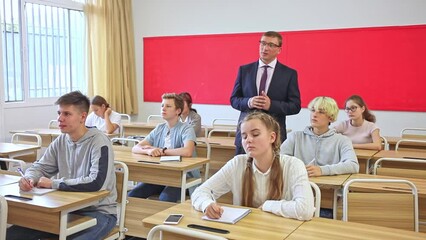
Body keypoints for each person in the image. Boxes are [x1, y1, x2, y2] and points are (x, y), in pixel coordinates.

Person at [8, 91, 117, 240]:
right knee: (11, 234)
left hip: (98, 212)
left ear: (83, 117)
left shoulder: (99, 142)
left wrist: (53, 183)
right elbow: (40, 167)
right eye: (59, 113)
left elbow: (96, 182)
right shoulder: (61, 141)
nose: (60, 118)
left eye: (66, 114)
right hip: (66, 209)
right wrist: (29, 178)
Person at [192, 111, 314, 221]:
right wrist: (206, 204)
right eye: (244, 136)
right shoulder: (237, 163)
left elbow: (305, 209)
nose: (248, 140)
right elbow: (201, 192)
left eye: (255, 134)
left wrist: (267, 205)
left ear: (272, 137)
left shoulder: (293, 165)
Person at [230, 31, 301, 155]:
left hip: (273, 137)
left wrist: (271, 105)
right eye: (263, 43)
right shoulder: (245, 70)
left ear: (279, 50)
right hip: (247, 136)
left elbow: (295, 106)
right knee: (242, 173)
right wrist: (249, 102)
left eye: (271, 45)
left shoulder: (289, 74)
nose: (265, 48)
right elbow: (234, 99)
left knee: (272, 174)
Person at [129, 93, 199, 202]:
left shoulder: (186, 129)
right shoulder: (159, 128)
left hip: (181, 177)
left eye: (168, 106)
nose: (163, 109)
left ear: (178, 111)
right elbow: (136, 148)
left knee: (165, 198)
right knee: (132, 195)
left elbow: (187, 151)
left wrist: (162, 151)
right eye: (162, 106)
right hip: (160, 174)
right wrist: (149, 151)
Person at [280, 96, 359, 177]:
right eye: (313, 110)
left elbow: (353, 165)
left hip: (330, 187)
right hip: (299, 185)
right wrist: (298, 169)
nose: (314, 115)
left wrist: (322, 170)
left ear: (331, 118)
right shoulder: (296, 137)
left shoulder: (342, 141)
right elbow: (279, 159)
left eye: (321, 112)